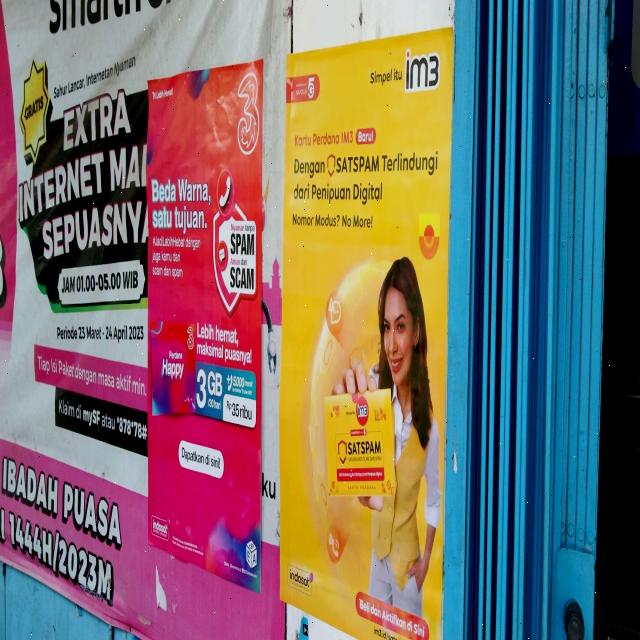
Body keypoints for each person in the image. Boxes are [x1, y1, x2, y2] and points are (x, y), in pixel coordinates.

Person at [332, 257, 440, 616]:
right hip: (378, 563)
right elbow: (362, 487)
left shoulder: (429, 427)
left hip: (407, 569)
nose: (391, 345)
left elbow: (434, 500)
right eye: (386, 327)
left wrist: (426, 559)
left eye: (401, 327)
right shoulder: (374, 395)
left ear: (417, 332)